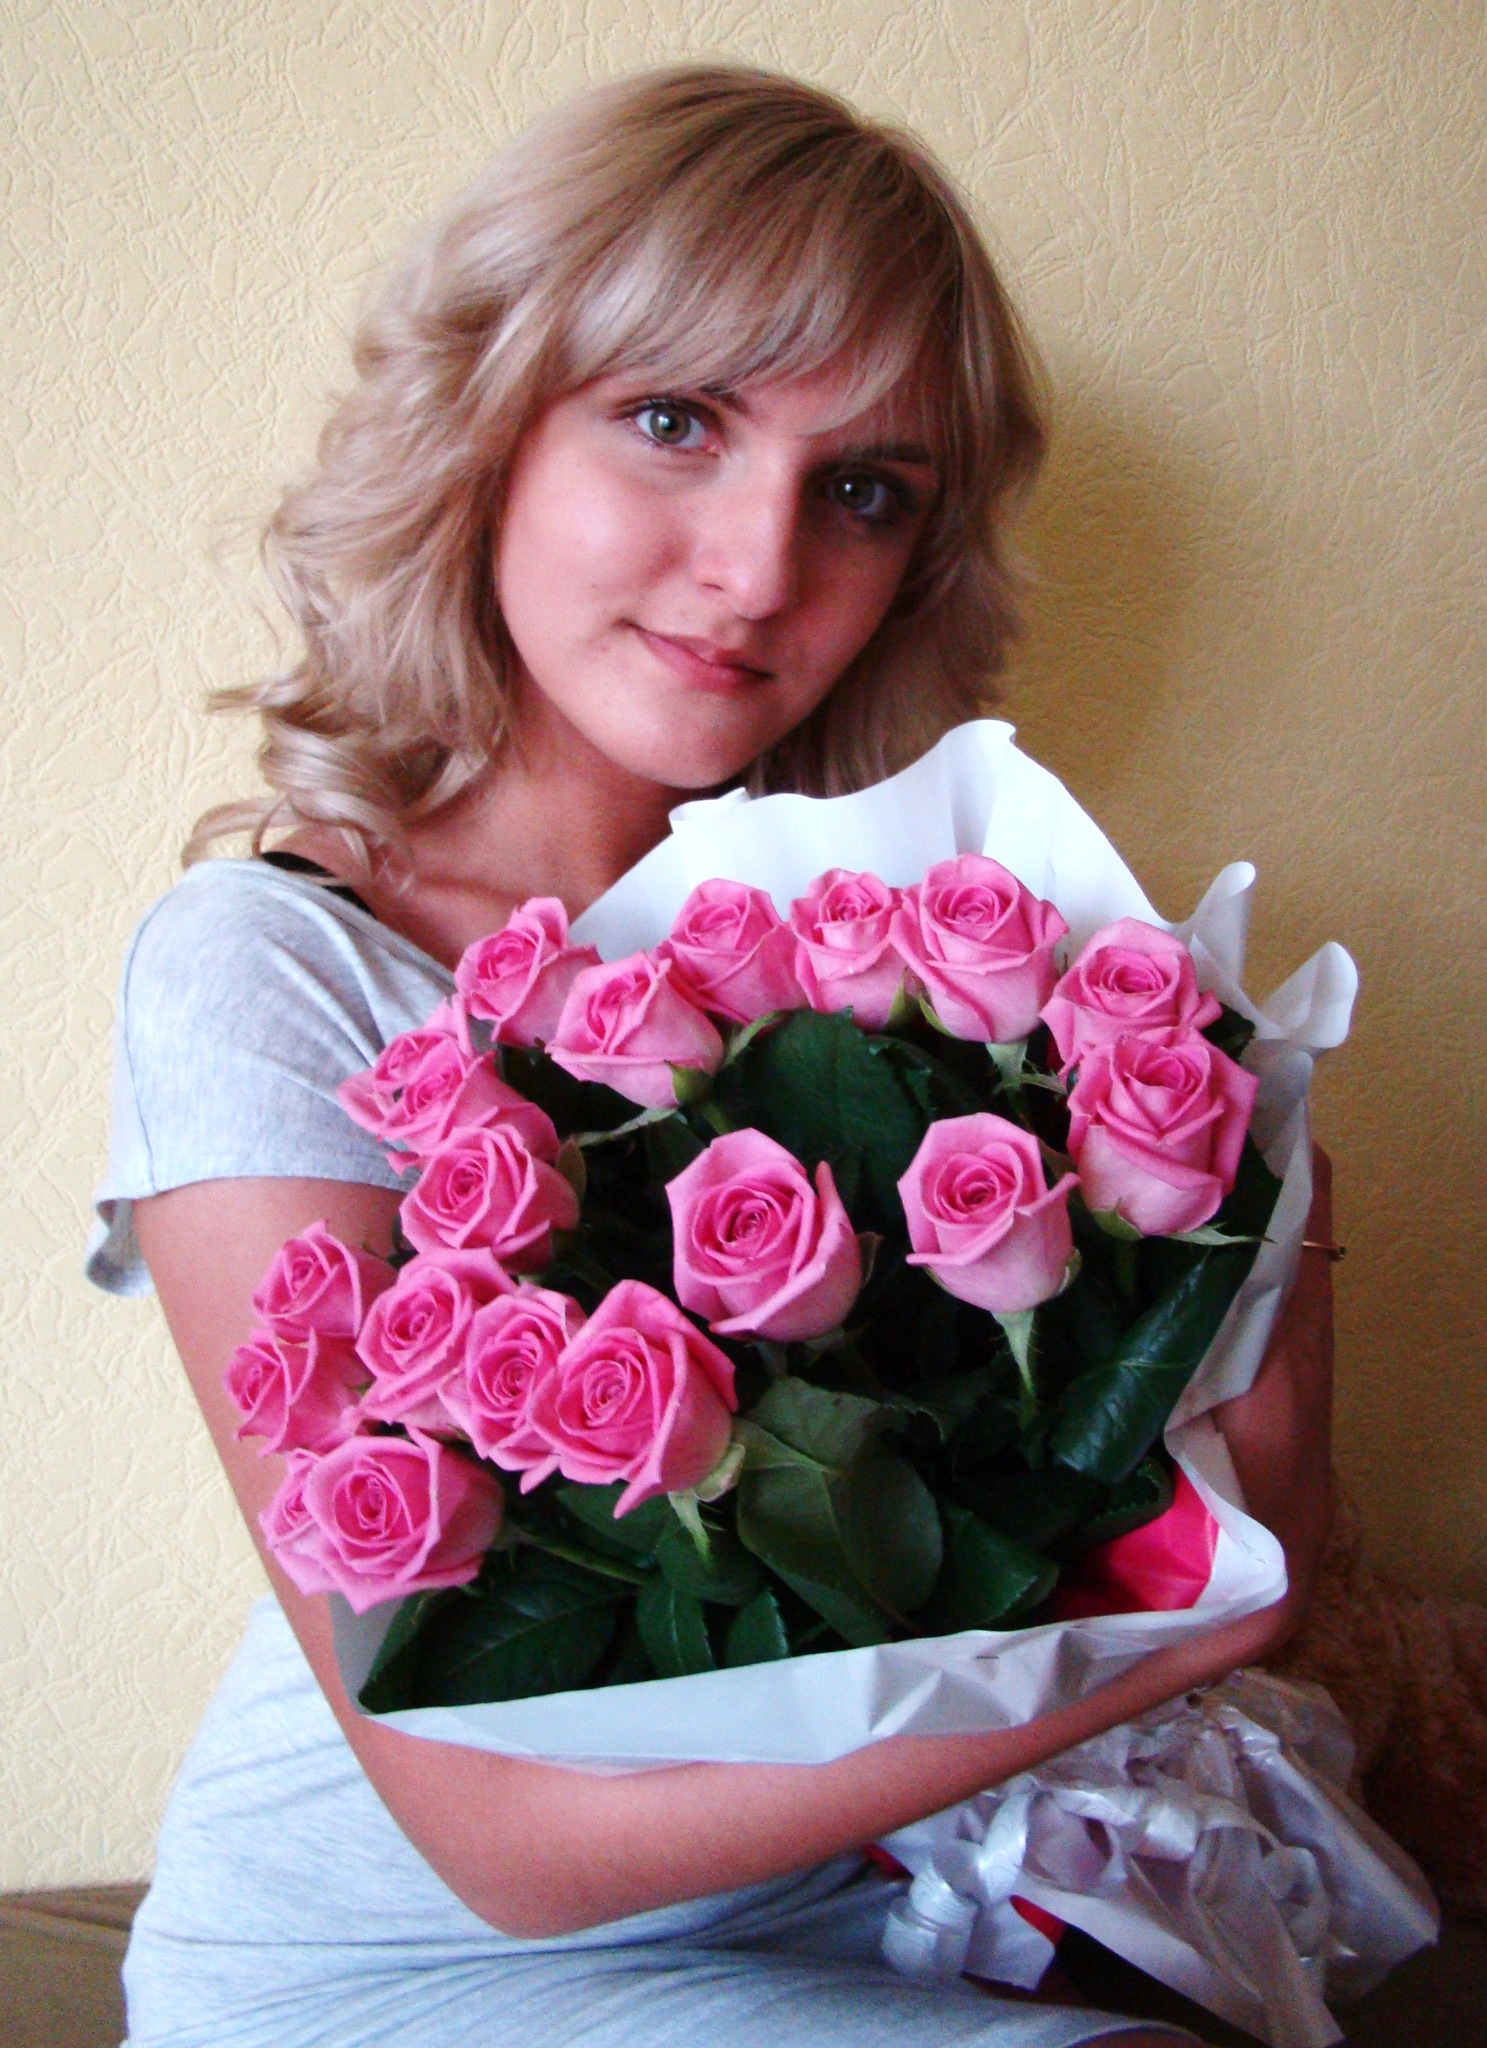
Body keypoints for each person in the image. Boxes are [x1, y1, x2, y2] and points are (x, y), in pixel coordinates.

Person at [87, 63, 1333, 2048]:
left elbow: (1230, 1518)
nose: (760, 567)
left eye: (864, 491)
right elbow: (496, 1842)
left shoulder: (941, 975)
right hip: (403, 1962)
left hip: (890, 1913)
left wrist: (1264, 1200)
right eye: (675, 420)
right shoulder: (274, 966)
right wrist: (1164, 1649)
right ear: (489, 426)